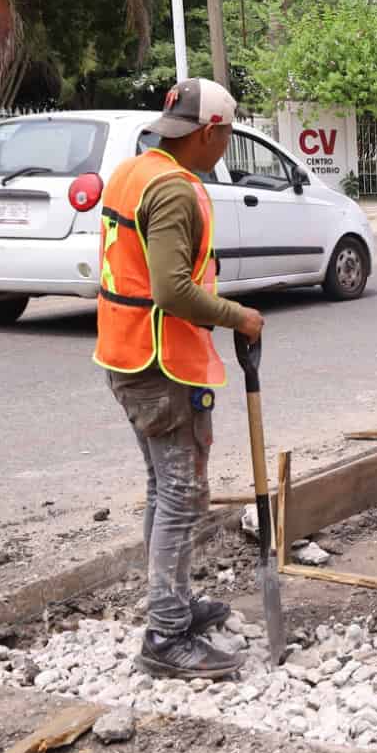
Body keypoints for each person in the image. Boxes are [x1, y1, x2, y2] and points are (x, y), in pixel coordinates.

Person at [94, 77, 264, 680]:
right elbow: (173, 291)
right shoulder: (172, 191)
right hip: (160, 363)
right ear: (210, 132)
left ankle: (175, 604)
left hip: (125, 352)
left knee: (162, 488)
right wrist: (238, 315)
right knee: (183, 493)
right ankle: (165, 635)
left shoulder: (135, 170)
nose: (226, 147)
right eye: (226, 136)